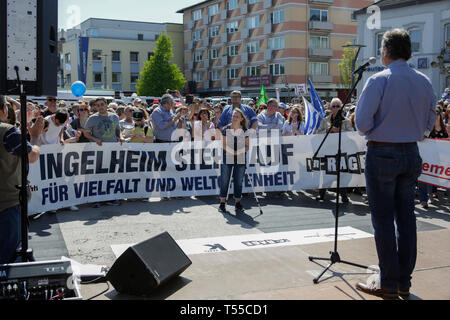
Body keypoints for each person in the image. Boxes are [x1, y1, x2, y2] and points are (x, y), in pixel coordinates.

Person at [354, 29, 436, 299]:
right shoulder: (424, 81)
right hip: (411, 152)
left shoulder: (379, 79)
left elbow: (362, 122)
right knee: (407, 218)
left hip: (382, 153)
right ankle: (403, 281)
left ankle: (387, 281)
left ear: (386, 52)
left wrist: (381, 130)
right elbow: (429, 123)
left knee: (383, 221)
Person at [0, 95, 40, 264]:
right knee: (8, 258)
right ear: (3, 110)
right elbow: (31, 156)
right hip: (7, 204)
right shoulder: (7, 131)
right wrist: (35, 138)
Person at [83, 97, 124, 207]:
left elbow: (117, 130)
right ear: (95, 107)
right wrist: (95, 139)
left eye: (102, 104)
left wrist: (120, 137)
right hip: (98, 151)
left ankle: (110, 198)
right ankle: (96, 199)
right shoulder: (92, 118)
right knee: (97, 175)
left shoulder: (114, 116)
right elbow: (86, 133)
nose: (100, 107)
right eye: (98, 105)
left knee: (111, 175)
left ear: (106, 105)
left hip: (112, 150)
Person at [316, 98, 353, 203]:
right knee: (325, 173)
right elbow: (318, 133)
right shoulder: (325, 120)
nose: (336, 108)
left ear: (341, 108)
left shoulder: (346, 121)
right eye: (334, 106)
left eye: (338, 106)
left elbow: (351, 134)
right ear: (330, 108)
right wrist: (328, 130)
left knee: (342, 174)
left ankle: (344, 196)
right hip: (327, 150)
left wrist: (339, 131)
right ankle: (322, 195)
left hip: (341, 151)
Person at [218, 108, 250, 213]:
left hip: (240, 157)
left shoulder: (244, 130)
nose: (234, 118)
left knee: (238, 180)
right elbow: (223, 144)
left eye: (237, 116)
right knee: (224, 180)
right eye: (233, 116)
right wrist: (231, 151)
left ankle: (237, 203)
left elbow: (247, 146)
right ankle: (222, 203)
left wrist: (238, 152)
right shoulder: (226, 129)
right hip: (227, 156)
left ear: (241, 118)